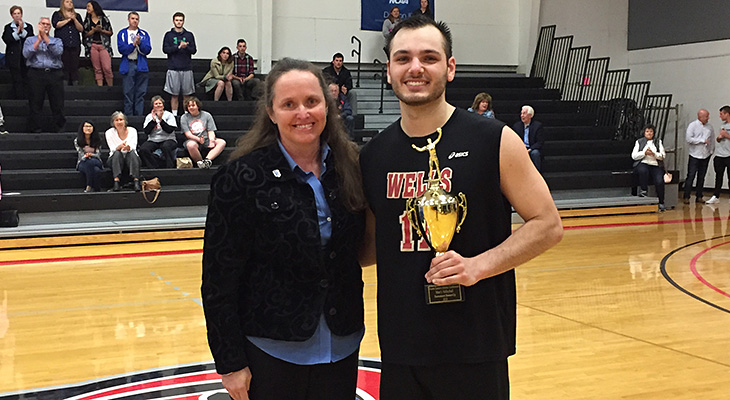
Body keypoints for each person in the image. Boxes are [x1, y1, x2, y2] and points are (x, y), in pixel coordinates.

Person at [359, 15, 563, 400]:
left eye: (429, 57)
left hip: (476, 344)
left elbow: (548, 225)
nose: (415, 68)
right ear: (388, 70)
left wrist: (476, 266)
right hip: (402, 346)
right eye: (402, 58)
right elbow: (369, 247)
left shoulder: (494, 139)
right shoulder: (373, 155)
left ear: (450, 68)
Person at [202, 57, 367, 400]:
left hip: (343, 343)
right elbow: (218, 278)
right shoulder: (241, 178)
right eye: (289, 104)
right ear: (272, 112)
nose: (302, 113)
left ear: (327, 105)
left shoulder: (351, 166)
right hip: (270, 350)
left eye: (311, 102)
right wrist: (230, 362)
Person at [22, 17, 66, 133]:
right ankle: (36, 127)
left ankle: (59, 127)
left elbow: (58, 52)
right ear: (38, 25)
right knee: (35, 101)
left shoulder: (57, 40)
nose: (45, 26)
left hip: (54, 73)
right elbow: (26, 54)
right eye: (43, 24)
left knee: (57, 102)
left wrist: (45, 38)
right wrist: (38, 40)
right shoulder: (30, 40)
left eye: (47, 24)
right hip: (36, 73)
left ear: (50, 27)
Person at [117, 11, 151, 116]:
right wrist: (133, 44)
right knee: (128, 92)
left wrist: (140, 44)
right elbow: (122, 49)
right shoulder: (122, 33)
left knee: (140, 92)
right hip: (128, 64)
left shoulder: (144, 34)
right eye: (133, 18)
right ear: (128, 20)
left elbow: (147, 49)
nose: (135, 21)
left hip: (141, 64)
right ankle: (129, 116)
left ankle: (139, 115)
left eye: (136, 19)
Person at [162, 12, 196, 115]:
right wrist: (178, 47)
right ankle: (174, 115)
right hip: (173, 68)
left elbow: (194, 50)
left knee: (187, 95)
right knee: (174, 95)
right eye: (177, 20)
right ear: (173, 21)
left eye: (181, 20)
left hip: (186, 68)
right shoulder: (169, 35)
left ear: (183, 21)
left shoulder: (189, 35)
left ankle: (186, 115)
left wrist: (186, 47)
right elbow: (165, 49)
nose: (179, 22)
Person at [180, 97, 226, 169]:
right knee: (191, 145)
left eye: (193, 105)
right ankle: (200, 163)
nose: (191, 107)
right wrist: (198, 139)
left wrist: (212, 140)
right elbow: (188, 134)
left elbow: (211, 130)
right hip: (193, 139)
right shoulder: (184, 117)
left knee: (222, 142)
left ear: (198, 106)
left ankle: (207, 161)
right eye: (189, 106)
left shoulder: (207, 115)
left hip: (206, 138)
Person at [631, 124, 667, 211]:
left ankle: (661, 202)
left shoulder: (658, 142)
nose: (649, 133)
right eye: (647, 131)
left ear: (654, 133)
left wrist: (654, 154)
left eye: (651, 131)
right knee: (643, 170)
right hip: (643, 163)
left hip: (655, 165)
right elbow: (634, 156)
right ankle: (644, 190)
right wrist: (644, 153)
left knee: (659, 180)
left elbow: (662, 156)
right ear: (644, 133)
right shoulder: (639, 142)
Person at [683, 108, 714, 204]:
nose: (708, 118)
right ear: (700, 117)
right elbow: (689, 139)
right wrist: (701, 140)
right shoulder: (692, 125)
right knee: (691, 176)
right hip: (694, 155)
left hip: (705, 155)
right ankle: (686, 196)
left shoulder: (709, 127)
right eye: (706, 116)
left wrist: (711, 151)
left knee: (702, 176)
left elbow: (712, 139)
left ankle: (699, 196)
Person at [2, 5, 34, 99]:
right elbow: (6, 39)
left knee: (26, 78)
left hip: (25, 57)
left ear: (21, 14)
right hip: (13, 57)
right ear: (12, 15)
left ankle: (26, 98)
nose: (17, 16)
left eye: (18, 13)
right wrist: (16, 33)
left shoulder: (28, 27)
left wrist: (22, 31)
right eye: (14, 14)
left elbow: (31, 39)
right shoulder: (8, 27)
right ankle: (18, 97)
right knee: (16, 79)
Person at [105, 111, 141, 192]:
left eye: (121, 119)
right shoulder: (109, 132)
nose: (119, 122)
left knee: (132, 153)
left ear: (125, 121)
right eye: (116, 120)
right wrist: (119, 147)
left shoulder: (132, 130)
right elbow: (112, 148)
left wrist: (128, 148)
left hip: (130, 157)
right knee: (117, 153)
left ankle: (136, 181)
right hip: (115, 158)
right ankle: (116, 181)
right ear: (113, 122)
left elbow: (133, 146)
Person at [140, 95, 178, 169]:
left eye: (160, 103)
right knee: (143, 149)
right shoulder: (149, 117)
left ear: (163, 105)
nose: (158, 105)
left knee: (165, 147)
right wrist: (153, 121)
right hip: (153, 140)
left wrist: (161, 120)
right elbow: (146, 131)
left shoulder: (169, 115)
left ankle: (170, 167)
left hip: (168, 139)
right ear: (153, 106)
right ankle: (154, 167)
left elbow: (170, 130)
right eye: (156, 104)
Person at [51, 0, 83, 85]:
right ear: (63, 4)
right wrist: (68, 19)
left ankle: (74, 83)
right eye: (67, 2)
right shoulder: (57, 14)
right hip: (62, 44)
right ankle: (64, 84)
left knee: (74, 65)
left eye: (71, 2)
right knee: (64, 64)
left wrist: (74, 19)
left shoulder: (77, 15)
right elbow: (56, 24)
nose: (70, 3)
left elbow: (81, 29)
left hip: (74, 44)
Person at [82, 1, 113, 86]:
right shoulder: (87, 21)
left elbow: (110, 32)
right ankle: (100, 87)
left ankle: (110, 87)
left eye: (89, 6)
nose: (87, 8)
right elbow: (84, 34)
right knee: (97, 69)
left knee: (107, 68)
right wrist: (93, 31)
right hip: (93, 45)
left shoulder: (104, 19)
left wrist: (101, 31)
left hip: (103, 45)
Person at [707, 105, 730, 204]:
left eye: (721, 114)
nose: (720, 116)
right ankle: (716, 196)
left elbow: (727, 136)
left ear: (727, 114)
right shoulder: (722, 125)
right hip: (720, 154)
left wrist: (727, 136)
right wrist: (719, 137)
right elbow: (718, 139)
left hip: (729, 155)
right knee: (718, 176)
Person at [511, 105, 544, 172]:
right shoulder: (516, 126)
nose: (522, 116)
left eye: (524, 113)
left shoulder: (537, 126)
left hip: (531, 148)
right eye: (521, 113)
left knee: (535, 153)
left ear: (530, 115)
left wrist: (529, 149)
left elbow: (540, 142)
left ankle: (536, 174)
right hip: (520, 148)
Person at [74, 120, 103, 192]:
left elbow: (98, 154)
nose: (88, 128)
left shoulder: (98, 140)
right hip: (83, 161)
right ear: (82, 128)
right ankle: (97, 187)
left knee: (91, 162)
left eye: (90, 126)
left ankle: (89, 185)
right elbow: (81, 155)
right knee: (96, 170)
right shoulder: (77, 140)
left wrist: (91, 155)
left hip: (96, 160)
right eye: (86, 126)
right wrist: (86, 156)